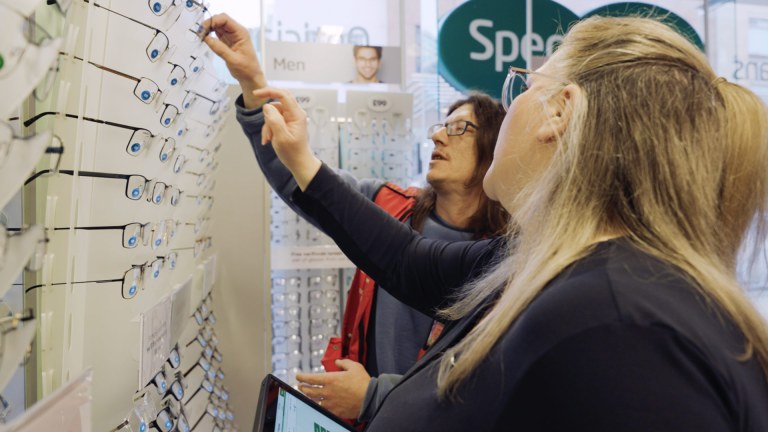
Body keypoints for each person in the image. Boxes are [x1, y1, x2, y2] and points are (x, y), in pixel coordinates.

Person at [220, 14, 768, 431]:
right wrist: (298, 152)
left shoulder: (622, 330)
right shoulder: (547, 265)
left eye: (525, 87)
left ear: (559, 112)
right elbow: (407, 261)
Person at [203, 13, 507, 423]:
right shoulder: (391, 205)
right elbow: (305, 185)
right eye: (440, 126)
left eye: (459, 129)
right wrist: (254, 85)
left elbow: (486, 388)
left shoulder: (501, 259)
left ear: (493, 148)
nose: (438, 136)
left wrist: (374, 394)